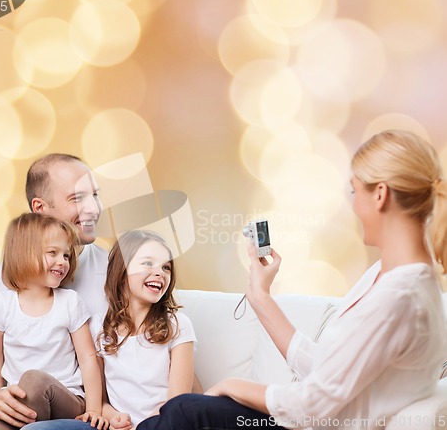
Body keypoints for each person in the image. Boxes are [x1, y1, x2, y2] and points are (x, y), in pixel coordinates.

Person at [137, 129, 447, 430]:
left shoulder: (401, 296)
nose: (353, 206)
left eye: (355, 191)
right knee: (180, 412)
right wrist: (260, 294)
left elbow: (312, 405)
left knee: (186, 410)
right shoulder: (388, 277)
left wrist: (231, 386)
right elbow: (327, 370)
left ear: (380, 194)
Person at [0, 154, 108, 429]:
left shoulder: (119, 273)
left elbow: (167, 341)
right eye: (77, 198)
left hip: (76, 412)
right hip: (19, 410)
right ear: (40, 208)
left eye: (95, 195)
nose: (93, 208)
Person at [0, 213, 106, 429]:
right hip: (22, 400)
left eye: (66, 255)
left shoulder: (69, 303)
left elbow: (88, 359)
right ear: (23, 254)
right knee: (23, 392)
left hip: (67, 400)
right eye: (52, 253)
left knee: (34, 380)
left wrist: (93, 410)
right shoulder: (0, 306)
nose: (62, 261)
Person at [92, 230, 196, 430]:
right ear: (122, 271)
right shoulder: (99, 327)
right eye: (148, 263)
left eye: (166, 267)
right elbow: (99, 401)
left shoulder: (178, 326)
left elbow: (177, 404)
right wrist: (114, 418)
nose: (160, 272)